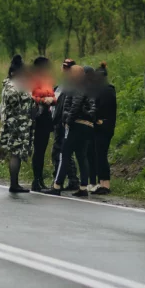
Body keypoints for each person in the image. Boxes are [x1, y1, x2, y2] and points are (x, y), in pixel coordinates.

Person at [45, 65, 96, 197]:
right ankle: (83, 187)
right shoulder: (89, 87)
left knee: (65, 154)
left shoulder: (76, 87)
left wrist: (67, 120)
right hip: (87, 125)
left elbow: (75, 105)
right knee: (81, 156)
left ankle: (57, 185)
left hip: (77, 124)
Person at [0, 55, 36, 193]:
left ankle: (15, 183)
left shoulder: (15, 84)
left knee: (18, 153)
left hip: (21, 124)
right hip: (16, 125)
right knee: (15, 153)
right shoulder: (13, 85)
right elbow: (12, 100)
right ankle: (14, 184)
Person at [88, 62, 117, 195]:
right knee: (99, 155)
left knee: (101, 155)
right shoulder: (108, 89)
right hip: (105, 125)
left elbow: (98, 108)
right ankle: (102, 183)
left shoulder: (104, 90)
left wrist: (95, 119)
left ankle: (105, 184)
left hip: (102, 126)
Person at [49, 59, 79, 190]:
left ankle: (61, 181)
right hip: (57, 121)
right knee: (62, 152)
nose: (64, 70)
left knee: (60, 152)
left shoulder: (72, 85)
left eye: (67, 68)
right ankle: (71, 180)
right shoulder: (61, 85)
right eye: (64, 67)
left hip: (64, 122)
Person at [29, 57, 56, 192]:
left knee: (42, 149)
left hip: (46, 116)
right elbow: (31, 96)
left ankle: (40, 179)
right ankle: (36, 179)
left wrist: (52, 99)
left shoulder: (47, 81)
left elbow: (54, 96)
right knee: (38, 150)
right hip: (37, 117)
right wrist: (42, 99)